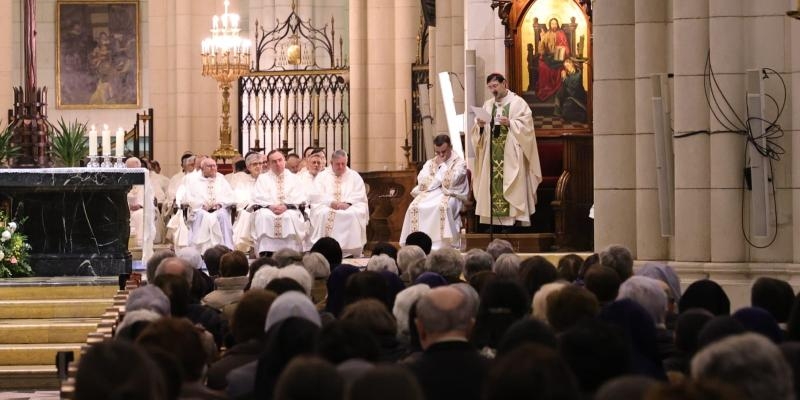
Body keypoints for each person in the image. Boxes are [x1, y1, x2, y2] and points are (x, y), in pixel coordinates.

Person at [471, 73, 542, 227]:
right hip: (492, 153)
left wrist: (510, 123)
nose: (493, 90)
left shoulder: (518, 103)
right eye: (490, 87)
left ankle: (514, 222)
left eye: (495, 86)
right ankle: (496, 223)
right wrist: (481, 126)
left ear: (505, 83)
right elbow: (478, 134)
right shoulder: (488, 105)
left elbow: (527, 127)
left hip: (512, 155)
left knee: (513, 184)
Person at [399, 134, 469, 250]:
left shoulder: (459, 163)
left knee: (442, 207)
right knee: (414, 206)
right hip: (431, 193)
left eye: (444, 151)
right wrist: (437, 178)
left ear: (450, 147)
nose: (441, 155)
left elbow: (453, 180)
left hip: (451, 194)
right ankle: (418, 243)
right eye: (438, 152)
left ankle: (443, 244)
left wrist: (441, 169)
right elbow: (422, 180)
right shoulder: (430, 163)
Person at [308, 150, 369, 257]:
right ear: (331, 163)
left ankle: (350, 250)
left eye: (343, 164)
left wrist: (348, 203)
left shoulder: (354, 176)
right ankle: (326, 250)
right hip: (327, 206)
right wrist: (330, 202)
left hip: (349, 207)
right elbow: (316, 195)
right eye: (337, 164)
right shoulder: (322, 176)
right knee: (323, 213)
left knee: (353, 214)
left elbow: (359, 195)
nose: (341, 167)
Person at [251, 150, 309, 255]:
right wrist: (271, 206)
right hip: (268, 209)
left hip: (289, 209)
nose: (278, 164)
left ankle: (291, 251)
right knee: (264, 216)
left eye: (280, 160)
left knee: (289, 217)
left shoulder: (294, 178)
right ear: (268, 164)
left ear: (284, 161)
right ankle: (266, 250)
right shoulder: (262, 179)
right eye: (274, 161)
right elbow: (258, 196)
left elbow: (300, 197)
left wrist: (286, 206)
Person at [182, 157, 236, 252]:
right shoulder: (194, 181)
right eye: (209, 166)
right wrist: (200, 205)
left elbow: (230, 195)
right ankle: (200, 250)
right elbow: (189, 197)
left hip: (219, 209)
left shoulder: (221, 179)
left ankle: (226, 247)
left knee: (223, 215)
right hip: (201, 210)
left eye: (214, 166)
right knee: (201, 215)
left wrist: (220, 204)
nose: (213, 168)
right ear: (202, 169)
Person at [229, 153, 264, 252]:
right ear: (248, 167)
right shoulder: (242, 180)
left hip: (266, 209)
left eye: (260, 163)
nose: (258, 166)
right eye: (255, 164)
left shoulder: (267, 179)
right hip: (248, 209)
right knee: (247, 215)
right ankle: (248, 247)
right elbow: (239, 198)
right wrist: (252, 205)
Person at [536, 18, 570, 101]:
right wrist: (542, 38)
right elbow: (542, 49)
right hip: (549, 57)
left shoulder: (561, 34)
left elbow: (566, 47)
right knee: (543, 66)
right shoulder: (547, 34)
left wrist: (561, 49)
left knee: (559, 67)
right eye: (552, 24)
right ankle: (546, 88)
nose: (554, 25)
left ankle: (557, 89)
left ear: (557, 24)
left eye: (555, 23)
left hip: (559, 57)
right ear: (550, 25)